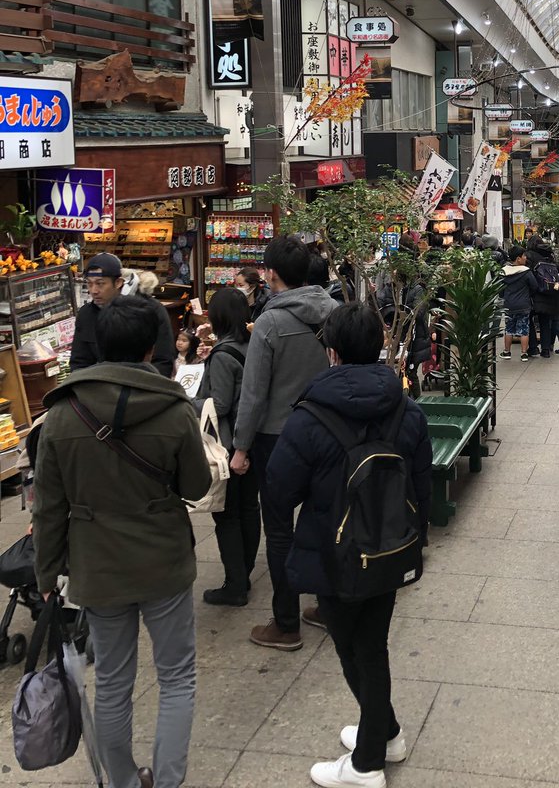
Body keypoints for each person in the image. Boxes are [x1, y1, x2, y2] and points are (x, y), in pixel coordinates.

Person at [32, 294, 211, 788]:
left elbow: (47, 507)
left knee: (111, 682)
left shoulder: (62, 415)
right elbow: (196, 487)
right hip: (164, 559)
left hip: (98, 563)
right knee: (177, 677)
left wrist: (47, 574)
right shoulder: (174, 410)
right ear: (150, 349)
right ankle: (169, 780)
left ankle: (125, 782)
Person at [267, 302, 432, 788]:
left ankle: (366, 764)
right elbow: (420, 486)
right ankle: (387, 733)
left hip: (332, 553)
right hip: (389, 547)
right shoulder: (407, 410)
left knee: (356, 650)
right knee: (371, 643)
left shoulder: (309, 416)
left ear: (333, 353)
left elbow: (279, 490)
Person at [231, 236, 339, 651]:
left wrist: (240, 448)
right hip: (327, 432)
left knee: (279, 530)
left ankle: (286, 622)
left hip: (278, 439)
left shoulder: (270, 324)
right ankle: (327, 606)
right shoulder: (333, 312)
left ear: (271, 274)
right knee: (325, 517)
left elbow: (254, 393)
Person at [194, 287, 260, 606]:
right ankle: (244, 570)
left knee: (227, 514)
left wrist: (189, 401)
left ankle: (235, 583)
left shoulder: (223, 355)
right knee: (249, 508)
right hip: (252, 438)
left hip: (228, 443)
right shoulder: (253, 347)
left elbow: (218, 405)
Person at [70, 252, 177, 377]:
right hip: (100, 390)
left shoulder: (149, 310)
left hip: (145, 389)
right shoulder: (86, 314)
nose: (94, 291)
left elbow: (163, 361)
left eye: (100, 283)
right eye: (89, 283)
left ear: (118, 283)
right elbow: (79, 362)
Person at [526, 235, 559, 357]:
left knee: (530, 321)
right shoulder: (549, 254)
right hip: (549, 292)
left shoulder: (529, 255)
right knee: (545, 322)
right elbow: (557, 267)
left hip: (535, 293)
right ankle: (545, 350)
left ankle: (533, 348)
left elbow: (527, 272)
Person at [499, 245, 539, 361]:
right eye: (523, 256)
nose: (525, 258)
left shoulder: (504, 272)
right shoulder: (526, 272)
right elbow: (534, 287)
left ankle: (507, 352)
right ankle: (524, 353)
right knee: (524, 329)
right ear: (518, 258)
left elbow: (500, 290)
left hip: (509, 305)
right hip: (523, 305)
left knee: (509, 329)